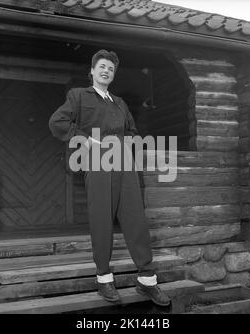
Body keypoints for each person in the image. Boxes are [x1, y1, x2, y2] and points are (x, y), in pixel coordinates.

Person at [49, 49, 170, 307]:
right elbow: (57, 122)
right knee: (101, 220)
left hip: (124, 163)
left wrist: (127, 143)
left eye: (111, 69)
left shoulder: (119, 103)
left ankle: (147, 280)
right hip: (97, 164)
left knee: (135, 218)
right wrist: (85, 138)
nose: (106, 71)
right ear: (92, 71)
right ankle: (104, 278)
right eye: (102, 66)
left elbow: (133, 131)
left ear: (113, 75)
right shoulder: (79, 96)